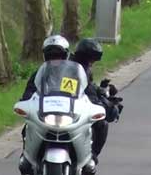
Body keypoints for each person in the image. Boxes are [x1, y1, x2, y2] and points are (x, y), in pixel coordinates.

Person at [19, 35, 95, 175]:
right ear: (45, 56)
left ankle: (89, 158)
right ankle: (27, 159)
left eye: (58, 55)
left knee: (90, 126)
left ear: (65, 55)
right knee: (27, 127)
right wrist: (26, 103)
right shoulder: (39, 74)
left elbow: (88, 91)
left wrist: (94, 103)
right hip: (46, 114)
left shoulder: (74, 73)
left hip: (70, 113)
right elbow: (29, 92)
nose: (55, 58)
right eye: (51, 55)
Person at [70, 39, 123, 168]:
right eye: (92, 60)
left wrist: (102, 90)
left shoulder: (75, 66)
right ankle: (92, 156)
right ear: (86, 58)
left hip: (67, 107)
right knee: (102, 124)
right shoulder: (78, 70)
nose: (93, 63)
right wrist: (108, 106)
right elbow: (87, 92)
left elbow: (89, 87)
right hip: (71, 109)